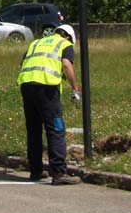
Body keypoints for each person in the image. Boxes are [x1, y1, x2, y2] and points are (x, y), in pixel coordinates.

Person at [17, 23, 82, 185]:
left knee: (34, 129)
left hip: (26, 85)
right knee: (56, 128)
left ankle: (36, 171)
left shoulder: (36, 43)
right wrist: (75, 89)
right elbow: (66, 64)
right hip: (46, 87)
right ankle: (59, 173)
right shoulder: (65, 44)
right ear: (68, 37)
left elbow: (22, 63)